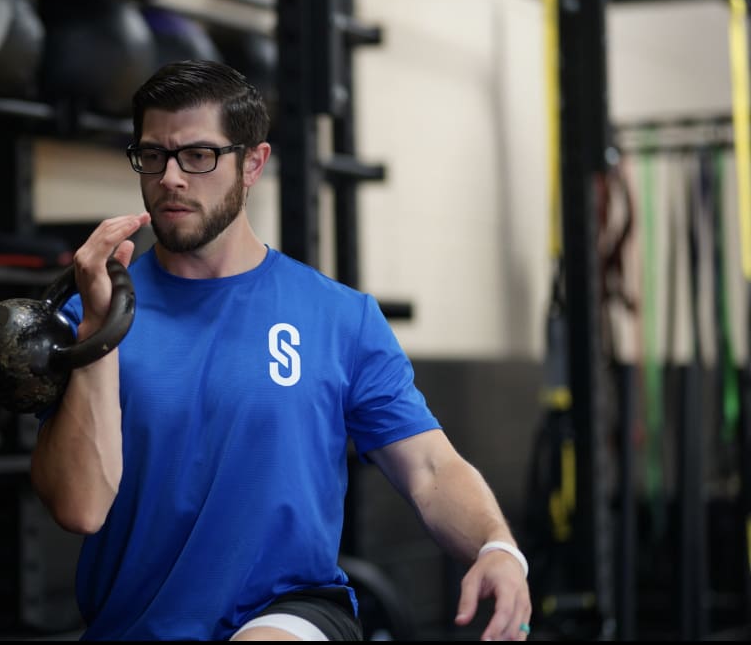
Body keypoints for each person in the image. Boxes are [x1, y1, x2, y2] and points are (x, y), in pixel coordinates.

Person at [29, 59, 532, 641]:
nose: (171, 176)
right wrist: (98, 331)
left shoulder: (339, 318)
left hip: (290, 613)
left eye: (198, 155)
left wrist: (497, 547)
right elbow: (80, 509)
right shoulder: (89, 319)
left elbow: (429, 466)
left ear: (253, 164)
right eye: (153, 155)